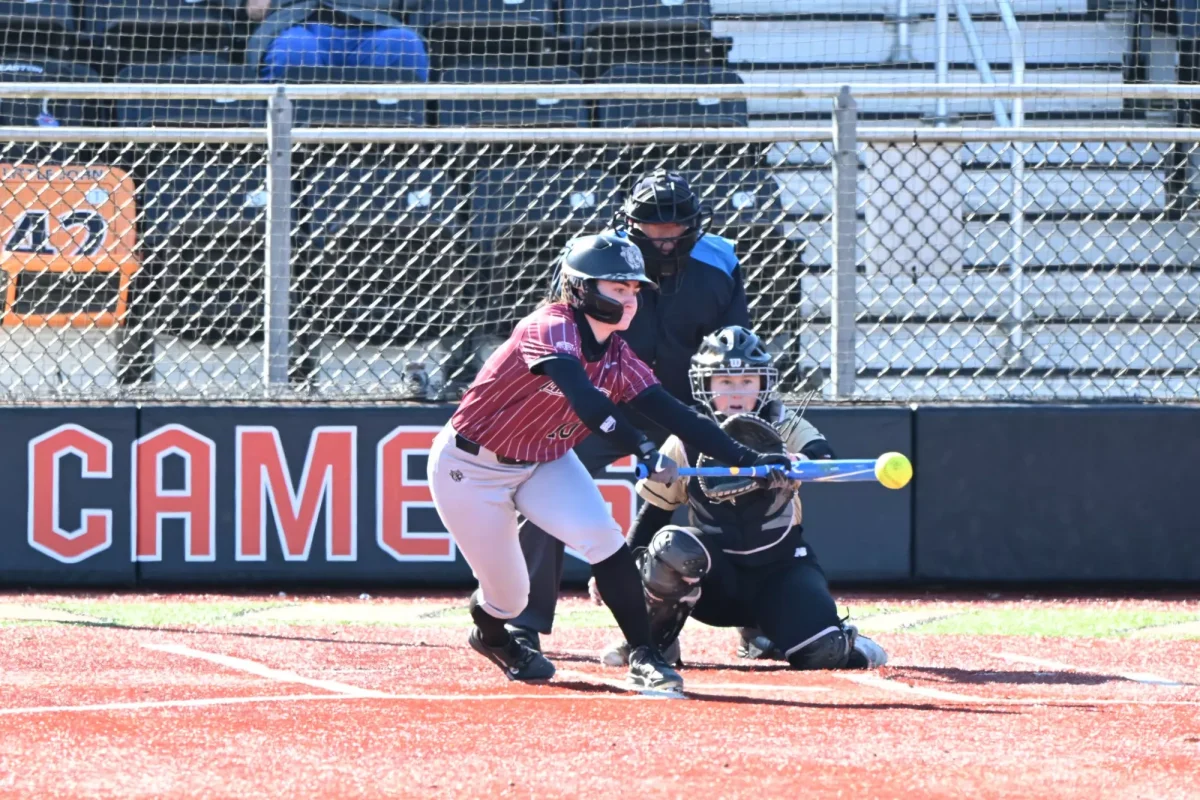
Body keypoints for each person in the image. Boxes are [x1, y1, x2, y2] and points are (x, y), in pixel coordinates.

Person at [425, 233, 791, 691]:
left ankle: (645, 655)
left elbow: (676, 414)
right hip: (470, 468)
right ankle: (492, 636)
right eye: (618, 288)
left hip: (542, 460)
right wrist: (642, 448)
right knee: (508, 596)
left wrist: (750, 458)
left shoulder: (618, 354)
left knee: (606, 542)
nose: (631, 298)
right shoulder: (549, 325)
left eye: (634, 289)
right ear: (580, 289)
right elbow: (585, 401)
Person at [507, 169, 751, 652]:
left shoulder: (721, 260)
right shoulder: (594, 259)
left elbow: (734, 346)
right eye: (653, 233)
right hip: (595, 403)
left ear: (695, 225)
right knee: (544, 494)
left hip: (684, 407)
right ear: (628, 227)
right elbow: (560, 324)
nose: (664, 244)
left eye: (675, 232)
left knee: (743, 489)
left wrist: (724, 425)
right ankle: (524, 623)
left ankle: (755, 619)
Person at [595, 325, 889, 671]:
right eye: (725, 382)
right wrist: (616, 571)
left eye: (747, 382)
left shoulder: (783, 425)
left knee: (821, 653)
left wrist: (800, 463)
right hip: (714, 584)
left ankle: (790, 636)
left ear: (763, 384)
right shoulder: (687, 437)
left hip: (781, 571)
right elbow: (653, 514)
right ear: (705, 385)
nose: (737, 392)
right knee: (673, 544)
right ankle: (651, 643)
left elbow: (822, 455)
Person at [231, 0, 430, 82]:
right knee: (295, 49)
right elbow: (254, 10)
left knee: (404, 44)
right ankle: (290, 148)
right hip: (299, 26)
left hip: (375, 28)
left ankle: (400, 148)